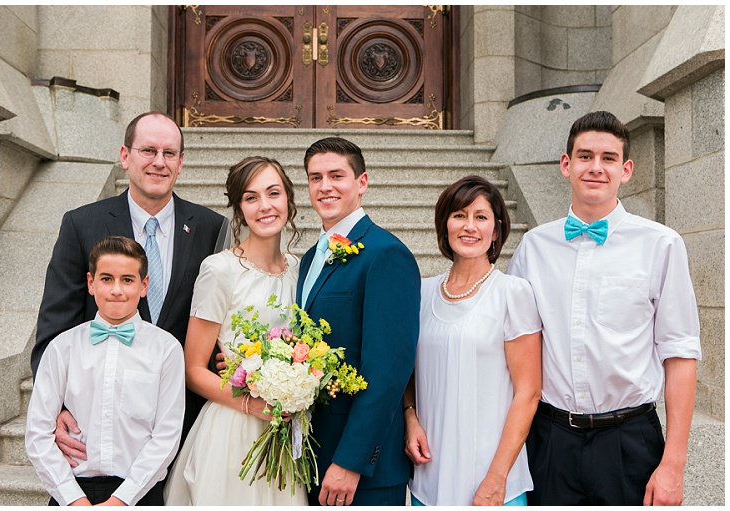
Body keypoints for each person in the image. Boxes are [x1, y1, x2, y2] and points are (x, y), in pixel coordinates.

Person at [507, 111, 701, 506]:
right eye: (585, 156)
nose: (596, 167)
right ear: (566, 164)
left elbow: (680, 354)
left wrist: (673, 465)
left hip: (628, 440)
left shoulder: (661, 245)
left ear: (626, 170)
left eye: (608, 158)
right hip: (550, 438)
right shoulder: (533, 247)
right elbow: (515, 349)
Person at [32, 112, 227, 467]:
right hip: (99, 417)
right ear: (125, 156)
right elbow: (55, 323)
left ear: (181, 163)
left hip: (184, 412)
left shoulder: (212, 228)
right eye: (148, 150)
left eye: (169, 153)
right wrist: (55, 406)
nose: (159, 162)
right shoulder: (81, 224)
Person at [163, 156, 307, 505]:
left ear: (288, 198)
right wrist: (251, 403)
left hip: (285, 430)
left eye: (273, 193)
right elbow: (193, 368)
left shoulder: (300, 269)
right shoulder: (220, 269)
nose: (265, 206)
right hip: (233, 428)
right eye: (251, 197)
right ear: (239, 209)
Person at [401, 176, 542, 506]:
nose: (469, 226)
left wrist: (496, 478)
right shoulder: (421, 293)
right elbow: (408, 373)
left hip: (491, 479)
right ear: (445, 224)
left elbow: (529, 392)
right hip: (430, 475)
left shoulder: (512, 293)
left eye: (481, 217)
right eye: (459, 215)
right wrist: (410, 417)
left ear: (496, 229)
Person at [296, 137, 420, 506]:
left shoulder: (386, 254)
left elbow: (388, 371)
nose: (325, 186)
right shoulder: (308, 258)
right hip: (314, 453)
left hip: (362, 468)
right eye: (315, 177)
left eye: (337, 175)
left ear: (361, 182)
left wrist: (351, 461)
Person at [25, 236, 185, 505]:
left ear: (144, 285)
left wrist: (120, 501)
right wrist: (74, 499)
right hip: (72, 492)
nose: (116, 290)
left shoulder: (166, 349)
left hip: (138, 493)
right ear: (91, 283)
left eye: (127, 280)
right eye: (107, 279)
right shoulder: (63, 347)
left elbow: (166, 436)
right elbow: (38, 432)